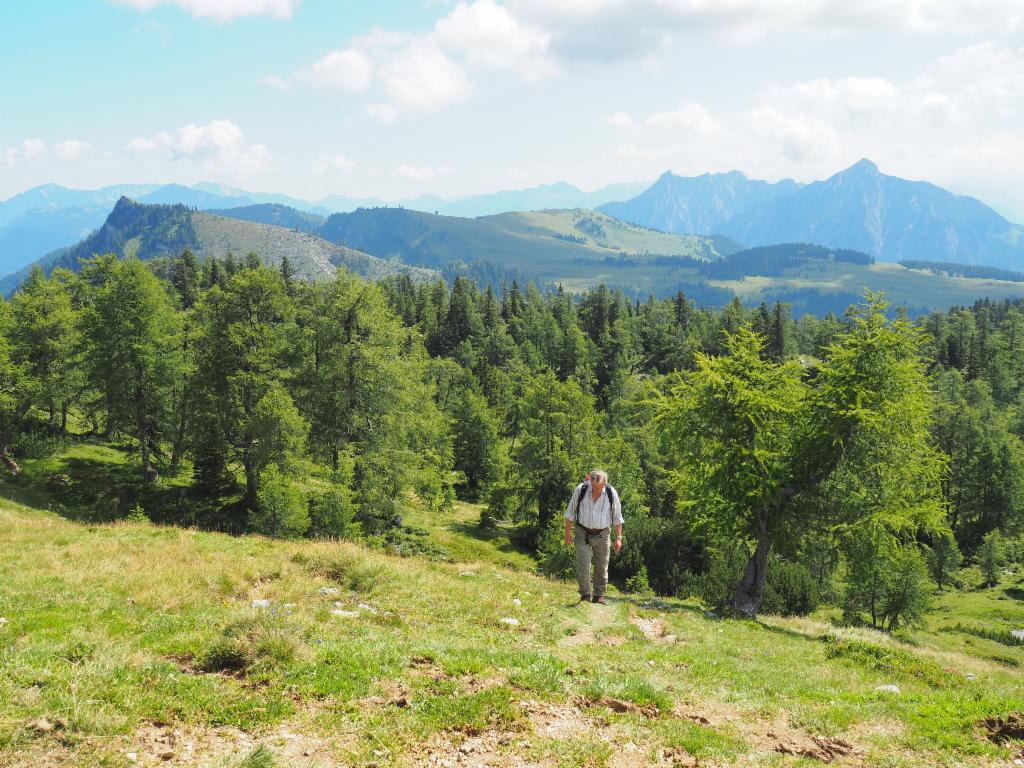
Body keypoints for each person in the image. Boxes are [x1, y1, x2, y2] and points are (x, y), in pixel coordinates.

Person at [563, 469, 623, 604]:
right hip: (582, 532)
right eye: (594, 487)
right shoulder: (581, 489)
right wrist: (567, 534)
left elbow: (618, 518)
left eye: (599, 488)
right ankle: (585, 594)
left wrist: (618, 538)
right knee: (584, 565)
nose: (596, 491)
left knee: (602, 565)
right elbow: (570, 513)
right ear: (590, 481)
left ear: (605, 483)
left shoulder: (611, 493)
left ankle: (599, 595)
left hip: (603, 534)